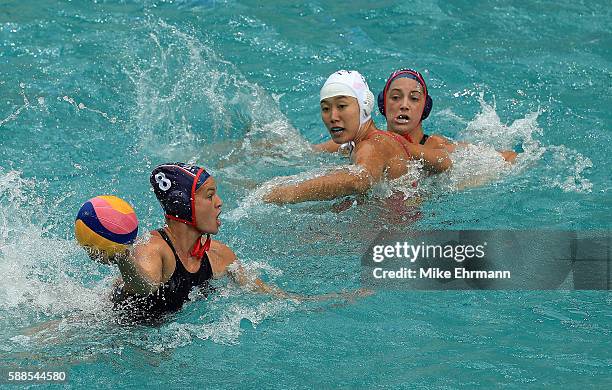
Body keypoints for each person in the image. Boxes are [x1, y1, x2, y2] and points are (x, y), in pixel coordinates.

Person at [98, 162, 363, 322]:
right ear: (184, 205)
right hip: (115, 328)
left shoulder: (220, 256)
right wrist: (123, 258)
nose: (219, 202)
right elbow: (143, 286)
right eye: (209, 195)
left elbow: (268, 294)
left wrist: (326, 301)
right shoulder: (153, 249)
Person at [264, 70, 421, 204]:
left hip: (397, 235)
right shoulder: (351, 145)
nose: (333, 116)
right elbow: (306, 152)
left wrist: (287, 193)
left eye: (342, 106)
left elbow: (359, 180)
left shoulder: (374, 144)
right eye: (325, 108)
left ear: (365, 105)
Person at [316, 68, 517, 172]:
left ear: (425, 108)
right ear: (382, 105)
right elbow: (303, 153)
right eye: (395, 98)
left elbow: (508, 158)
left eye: (414, 98)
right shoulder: (353, 144)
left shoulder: (435, 145)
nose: (404, 105)